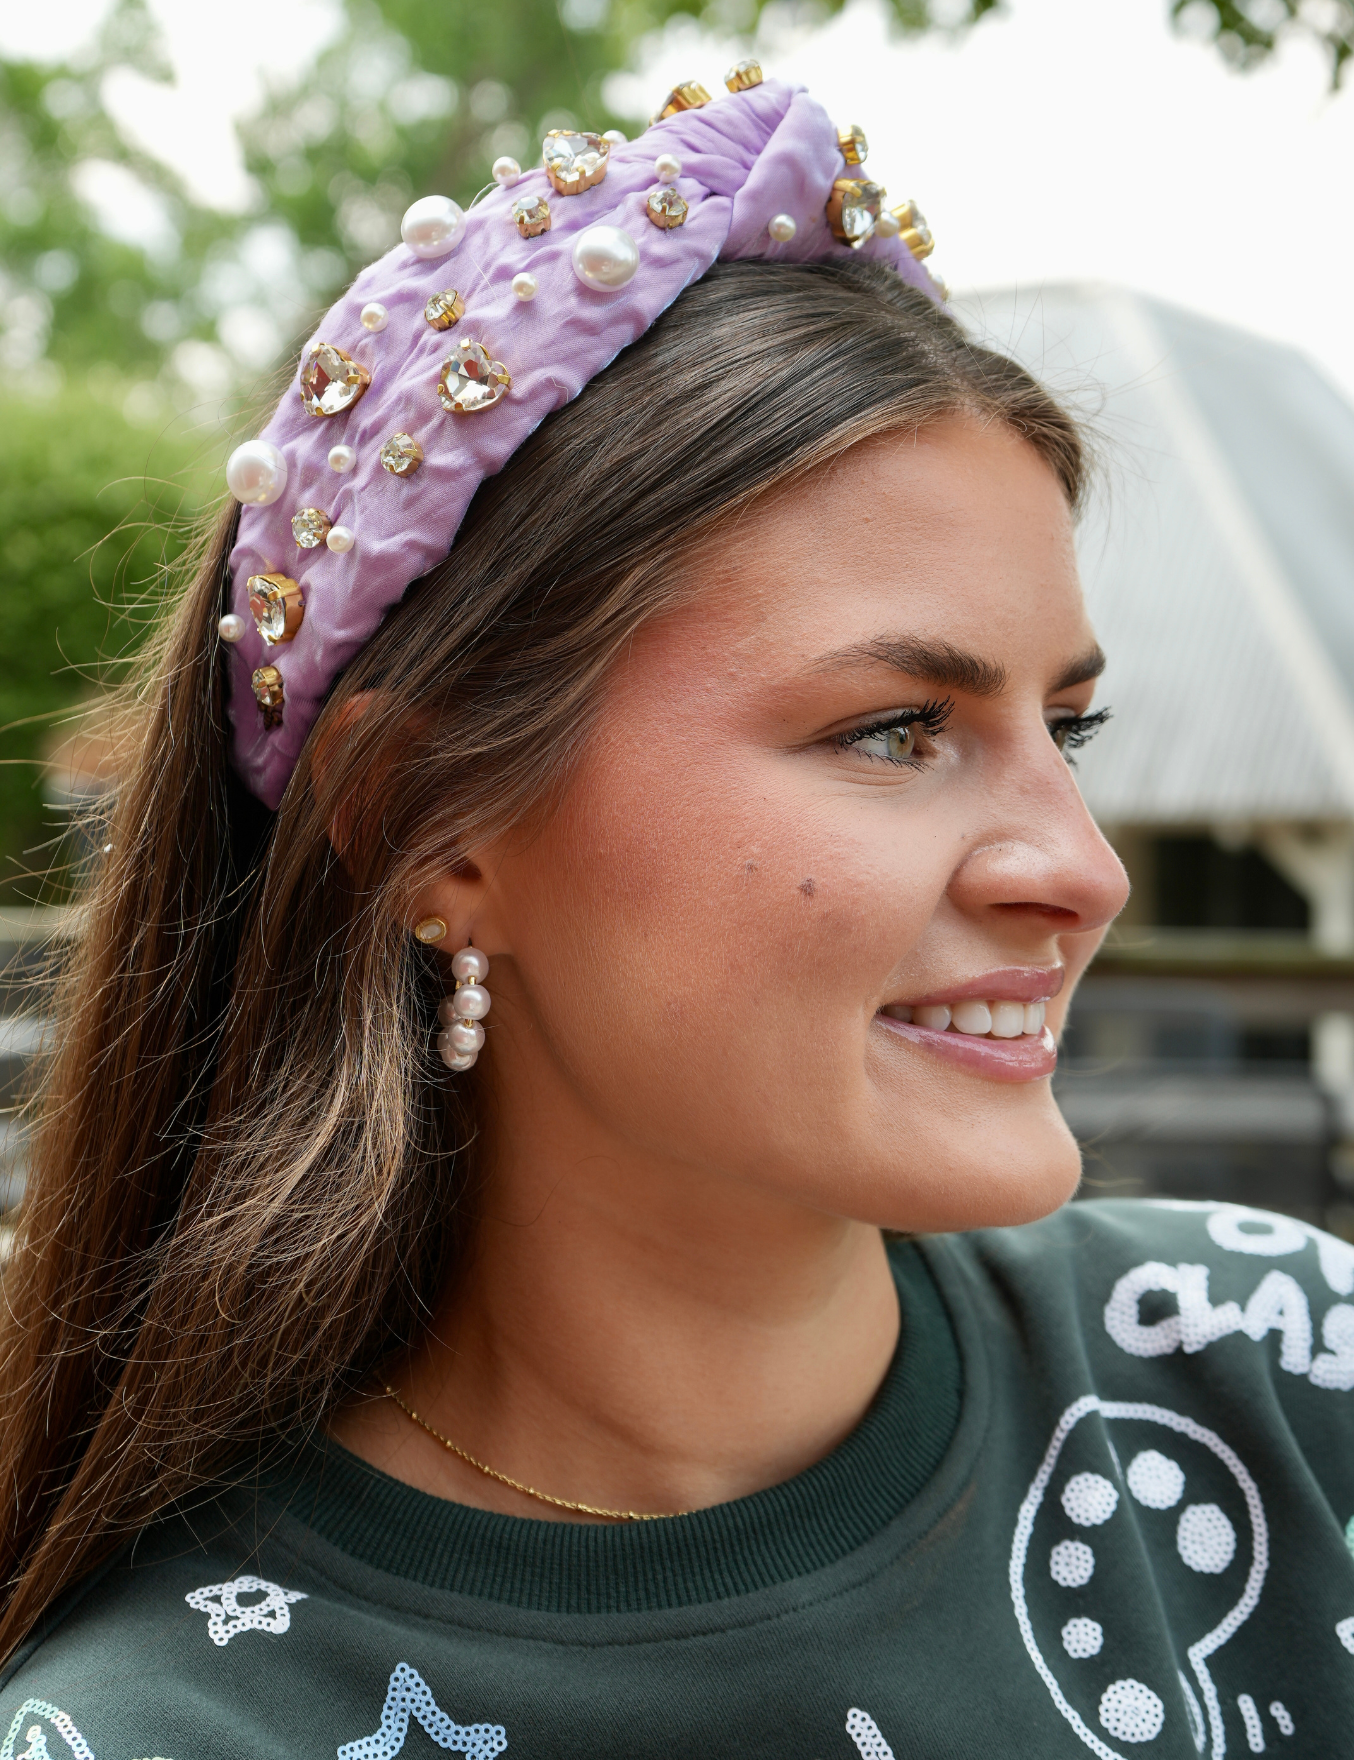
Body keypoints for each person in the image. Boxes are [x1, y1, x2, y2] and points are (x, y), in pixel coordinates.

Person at [0, 69, 1350, 1760]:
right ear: (425, 821)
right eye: (893, 731)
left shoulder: (1290, 1382)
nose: (1080, 869)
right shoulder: (173, 1731)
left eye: (1062, 729)